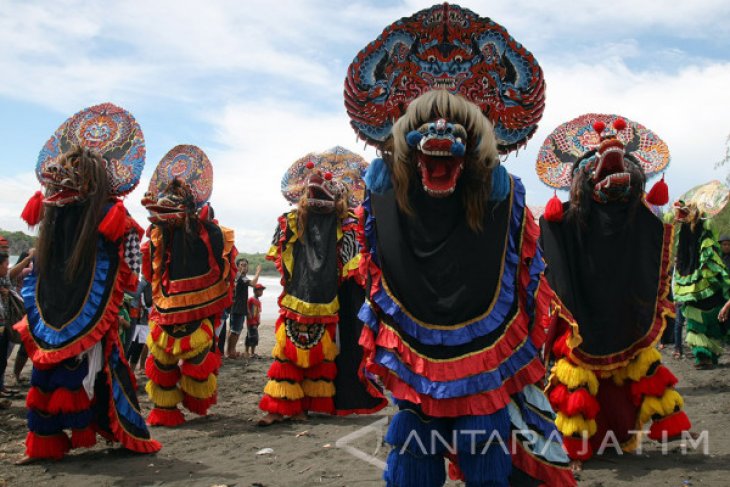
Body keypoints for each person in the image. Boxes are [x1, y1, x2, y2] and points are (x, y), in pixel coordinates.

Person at [343, 6, 574, 484]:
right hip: (415, 348)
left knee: (485, 444)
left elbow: (519, 248)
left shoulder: (499, 192)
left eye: (458, 127)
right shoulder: (387, 188)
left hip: (484, 349)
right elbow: (380, 196)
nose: (442, 131)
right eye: (426, 125)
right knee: (412, 453)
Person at [537, 114, 691, 467]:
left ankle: (622, 432)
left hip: (624, 308)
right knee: (577, 374)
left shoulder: (635, 217)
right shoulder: (566, 220)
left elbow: (652, 236)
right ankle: (577, 444)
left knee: (634, 364)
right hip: (581, 312)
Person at [14, 103, 160, 463]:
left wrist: (120, 306)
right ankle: (43, 443)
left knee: (90, 372)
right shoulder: (56, 219)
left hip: (93, 313)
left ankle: (108, 432)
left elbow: (130, 268)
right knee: (45, 372)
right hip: (53, 303)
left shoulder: (114, 216)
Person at [258, 147, 386, 427]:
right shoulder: (291, 222)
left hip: (329, 303)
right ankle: (279, 406)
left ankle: (304, 406)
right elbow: (285, 260)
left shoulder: (349, 228)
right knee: (286, 357)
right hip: (295, 299)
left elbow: (354, 272)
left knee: (320, 359)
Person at [141, 145, 236, 426]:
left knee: (198, 362)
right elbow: (150, 271)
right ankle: (164, 410)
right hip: (166, 305)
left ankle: (196, 402)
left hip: (197, 305)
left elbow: (222, 255)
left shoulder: (206, 232)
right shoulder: (159, 237)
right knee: (162, 362)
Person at [673, 200, 730, 368]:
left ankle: (706, 357)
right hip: (696, 284)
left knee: (703, 321)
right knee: (699, 322)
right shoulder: (691, 232)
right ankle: (704, 356)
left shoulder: (700, 232)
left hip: (700, 285)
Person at [227, 259, 261, 359]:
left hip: (238, 307)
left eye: (245, 265)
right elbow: (254, 283)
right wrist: (258, 272)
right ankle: (230, 352)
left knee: (234, 330)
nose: (244, 267)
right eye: (241, 265)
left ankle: (230, 351)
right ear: (237, 267)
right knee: (235, 330)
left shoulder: (240, 277)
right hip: (237, 308)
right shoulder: (240, 277)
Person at [127, 276, 151, 373]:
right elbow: (135, 294)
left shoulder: (149, 282)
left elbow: (149, 301)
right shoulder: (140, 280)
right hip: (133, 317)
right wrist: (144, 282)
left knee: (139, 346)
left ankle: (131, 372)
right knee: (130, 345)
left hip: (144, 319)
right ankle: (123, 369)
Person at [245, 284, 264, 358]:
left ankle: (248, 352)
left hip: (256, 321)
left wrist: (259, 321)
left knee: (249, 336)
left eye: (262, 291)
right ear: (255, 291)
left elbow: (258, 312)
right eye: (260, 290)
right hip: (251, 321)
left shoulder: (258, 301)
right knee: (254, 336)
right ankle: (251, 352)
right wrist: (249, 314)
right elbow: (247, 308)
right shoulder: (251, 299)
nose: (261, 292)